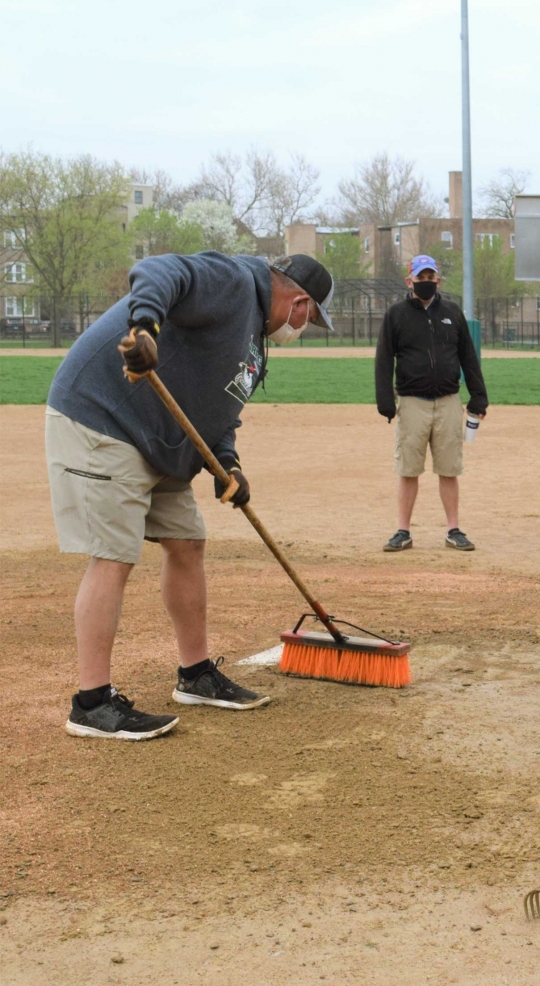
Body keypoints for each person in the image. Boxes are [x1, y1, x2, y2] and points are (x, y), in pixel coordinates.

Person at [45, 250, 336, 740]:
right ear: (301, 301)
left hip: (159, 441)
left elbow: (219, 411)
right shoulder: (235, 280)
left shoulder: (256, 346)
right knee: (115, 554)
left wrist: (230, 465)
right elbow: (160, 271)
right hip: (103, 417)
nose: (305, 326)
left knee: (187, 542)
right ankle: (91, 703)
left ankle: (196, 674)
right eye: (311, 317)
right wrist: (144, 329)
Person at [375, 255, 488, 553]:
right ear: (409, 281)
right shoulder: (396, 314)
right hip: (412, 402)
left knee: (449, 469)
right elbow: (384, 359)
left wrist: (479, 396)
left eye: (431, 277)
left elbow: (468, 358)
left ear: (438, 280)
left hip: (449, 401)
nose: (426, 283)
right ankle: (403, 531)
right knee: (408, 469)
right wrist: (385, 400)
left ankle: (453, 529)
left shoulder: (452, 312)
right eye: (420, 278)